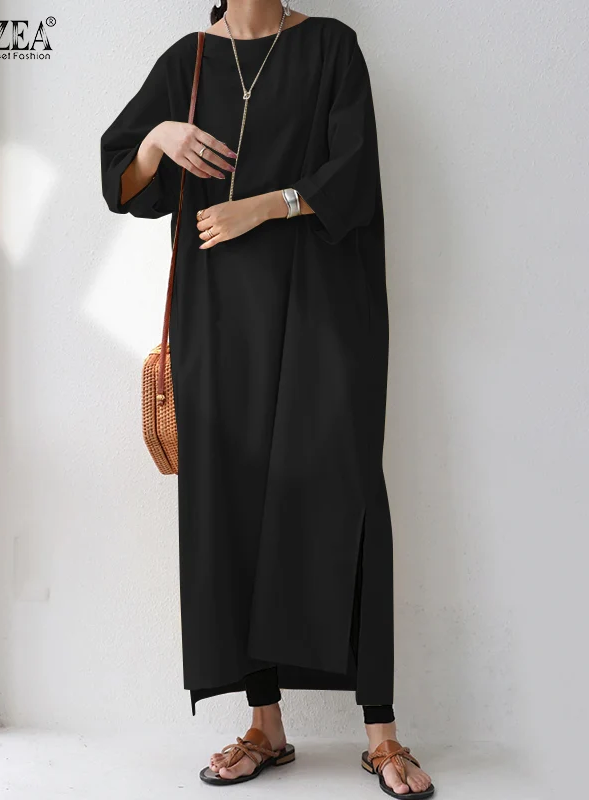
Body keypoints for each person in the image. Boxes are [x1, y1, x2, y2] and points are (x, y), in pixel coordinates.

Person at [100, 1, 434, 796]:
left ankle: (382, 732)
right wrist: (158, 138)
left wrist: (266, 204)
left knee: (348, 495)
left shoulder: (330, 48)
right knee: (235, 503)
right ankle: (265, 725)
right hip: (219, 322)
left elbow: (356, 174)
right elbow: (123, 183)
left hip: (324, 309)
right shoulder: (186, 62)